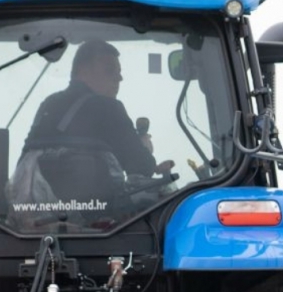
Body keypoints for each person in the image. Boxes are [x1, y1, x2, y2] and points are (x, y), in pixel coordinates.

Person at [14, 39, 173, 202]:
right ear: (82, 70)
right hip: (100, 215)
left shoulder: (49, 104)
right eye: (110, 70)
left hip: (36, 214)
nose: (119, 78)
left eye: (119, 72)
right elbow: (142, 167)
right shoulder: (110, 108)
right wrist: (145, 147)